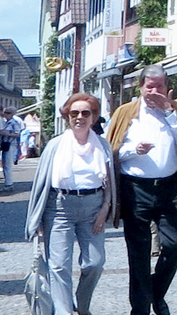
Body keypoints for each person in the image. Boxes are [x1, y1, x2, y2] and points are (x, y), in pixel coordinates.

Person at [108, 68, 177, 315]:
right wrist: (133, 151)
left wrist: (169, 113)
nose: (154, 91)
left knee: (175, 244)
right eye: (149, 86)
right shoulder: (125, 112)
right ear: (140, 86)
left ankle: (156, 292)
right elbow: (111, 149)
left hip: (170, 187)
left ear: (167, 88)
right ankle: (140, 308)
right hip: (135, 188)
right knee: (138, 251)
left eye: (159, 86)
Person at [26, 93, 117, 315]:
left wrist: (105, 209)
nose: (79, 117)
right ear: (67, 116)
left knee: (94, 263)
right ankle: (63, 311)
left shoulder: (102, 146)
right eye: (74, 113)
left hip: (93, 208)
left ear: (93, 117)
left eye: (85, 113)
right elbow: (41, 183)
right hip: (59, 208)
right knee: (59, 266)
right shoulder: (55, 146)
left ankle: (82, 305)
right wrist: (37, 218)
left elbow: (110, 183)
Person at [2, 108, 23, 188]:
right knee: (4, 164)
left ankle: (9, 183)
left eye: (8, 113)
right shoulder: (5, 123)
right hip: (5, 144)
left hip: (10, 144)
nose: (5, 114)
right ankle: (7, 182)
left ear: (12, 114)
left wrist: (8, 133)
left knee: (7, 164)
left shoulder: (14, 123)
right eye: (5, 113)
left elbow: (17, 134)